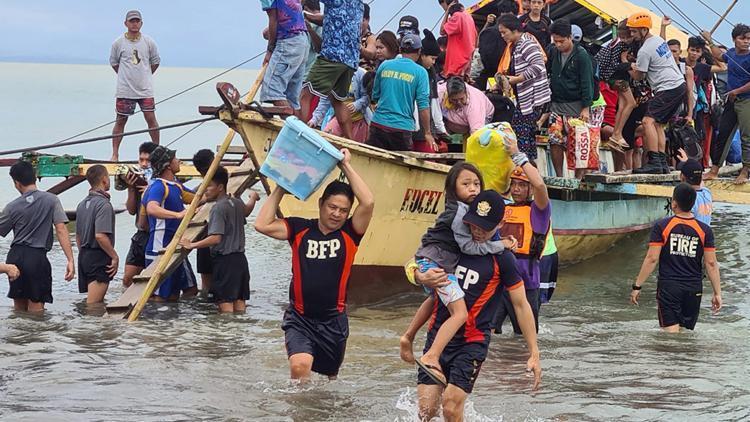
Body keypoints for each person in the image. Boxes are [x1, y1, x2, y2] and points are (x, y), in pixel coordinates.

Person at [414, 190, 541, 421]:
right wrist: (420, 277)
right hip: (438, 336)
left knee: (451, 407)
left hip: (471, 342)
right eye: (473, 224)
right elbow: (428, 283)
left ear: (501, 223)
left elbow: (521, 305)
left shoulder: (504, 258)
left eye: (484, 227)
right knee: (426, 412)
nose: (477, 231)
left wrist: (534, 352)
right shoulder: (452, 245)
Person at [254, 149, 374, 381]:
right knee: (300, 366)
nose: (337, 214)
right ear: (321, 204)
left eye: (343, 210)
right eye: (332, 207)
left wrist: (345, 166)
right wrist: (280, 188)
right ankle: (298, 413)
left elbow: (367, 202)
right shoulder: (300, 229)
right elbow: (262, 224)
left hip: (334, 321)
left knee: (329, 381)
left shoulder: (351, 233)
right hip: (300, 318)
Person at [399, 163, 513, 384]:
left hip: (436, 261)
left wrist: (501, 240)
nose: (473, 188)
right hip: (434, 262)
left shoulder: (469, 212)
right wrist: (501, 245)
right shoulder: (458, 214)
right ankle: (432, 355)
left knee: (434, 298)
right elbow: (469, 247)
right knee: (460, 313)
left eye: (477, 184)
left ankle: (408, 336)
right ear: (453, 188)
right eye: (466, 184)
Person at [630, 183, 721, 332]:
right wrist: (717, 293)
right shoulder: (705, 230)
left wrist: (637, 286)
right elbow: (711, 263)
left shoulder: (662, 226)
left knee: (670, 337)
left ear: (674, 203)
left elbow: (652, 258)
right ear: (693, 204)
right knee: (686, 334)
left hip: (669, 288)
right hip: (694, 288)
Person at [180, 167, 260, 313]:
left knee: (226, 309)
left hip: (226, 262)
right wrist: (253, 198)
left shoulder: (218, 208)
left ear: (220, 187)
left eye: (209, 186)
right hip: (241, 261)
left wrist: (192, 245)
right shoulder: (235, 202)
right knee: (240, 306)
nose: (205, 190)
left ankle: (225, 335)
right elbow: (247, 211)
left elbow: (216, 238)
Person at [493, 137, 551, 334]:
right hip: (499, 279)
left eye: (522, 185)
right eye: (514, 184)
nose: (516, 189)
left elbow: (541, 186)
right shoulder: (503, 207)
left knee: (524, 335)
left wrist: (519, 156)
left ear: (530, 189)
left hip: (526, 281)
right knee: (489, 330)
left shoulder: (538, 211)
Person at [0, 161, 75, 312]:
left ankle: (19, 336)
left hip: (15, 257)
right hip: (37, 257)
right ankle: (36, 336)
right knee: (37, 311)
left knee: (19, 309)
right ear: (35, 177)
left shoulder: (12, 207)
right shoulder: (51, 200)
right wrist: (70, 260)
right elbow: (61, 229)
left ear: (16, 183)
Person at [627, 12, 687, 174]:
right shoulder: (658, 40)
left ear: (644, 30)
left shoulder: (645, 50)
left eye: (634, 31)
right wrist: (663, 27)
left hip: (668, 88)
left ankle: (653, 161)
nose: (632, 35)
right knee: (659, 124)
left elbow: (640, 76)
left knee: (647, 122)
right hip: (678, 85)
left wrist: (629, 67)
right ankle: (661, 162)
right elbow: (660, 41)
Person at [299, 0, 364, 140]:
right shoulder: (358, 3)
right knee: (338, 101)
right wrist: (307, 16)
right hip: (350, 59)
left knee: (305, 94)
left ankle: (299, 137)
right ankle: (350, 143)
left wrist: (298, 9)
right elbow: (331, 17)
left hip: (332, 55)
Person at [142, 146, 198, 301]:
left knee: (177, 294)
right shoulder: (159, 186)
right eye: (175, 158)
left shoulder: (176, 186)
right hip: (159, 250)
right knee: (160, 297)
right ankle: (155, 324)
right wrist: (177, 215)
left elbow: (198, 198)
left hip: (175, 248)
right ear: (167, 165)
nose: (179, 161)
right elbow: (152, 208)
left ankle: (173, 325)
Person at [497, 14, 551, 160]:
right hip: (525, 99)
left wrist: (516, 79)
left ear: (514, 30)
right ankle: (528, 172)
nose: (502, 36)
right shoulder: (516, 44)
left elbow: (538, 65)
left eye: (504, 32)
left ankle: (526, 174)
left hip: (533, 99)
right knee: (523, 138)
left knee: (522, 138)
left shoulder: (527, 43)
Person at [367, 34, 434, 151]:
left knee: (373, 163)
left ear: (400, 49)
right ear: (419, 51)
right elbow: (423, 106)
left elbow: (375, 95)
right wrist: (427, 132)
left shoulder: (385, 65)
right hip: (402, 129)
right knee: (401, 167)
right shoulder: (421, 72)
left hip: (378, 124)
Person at [109, 10, 160, 162]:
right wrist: (125, 75)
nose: (134, 24)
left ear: (141, 23)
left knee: (151, 118)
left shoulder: (148, 42)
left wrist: (145, 75)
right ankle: (115, 154)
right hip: (125, 89)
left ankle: (157, 152)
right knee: (120, 120)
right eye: (132, 21)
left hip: (145, 89)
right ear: (126, 23)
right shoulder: (118, 43)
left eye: (137, 21)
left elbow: (155, 61)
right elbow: (114, 62)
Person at [547, 20, 595, 177]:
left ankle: (578, 178)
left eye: (562, 41)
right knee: (555, 140)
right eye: (556, 41)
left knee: (578, 143)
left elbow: (587, 82)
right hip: (556, 104)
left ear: (569, 38)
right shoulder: (553, 51)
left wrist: (586, 107)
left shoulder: (581, 55)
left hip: (576, 106)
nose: (559, 44)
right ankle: (559, 176)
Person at [702, 24, 750, 184]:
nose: (746, 42)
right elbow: (719, 56)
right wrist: (709, 40)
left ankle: (745, 171)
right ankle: (714, 169)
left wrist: (736, 91)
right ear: (734, 39)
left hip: (746, 100)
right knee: (723, 134)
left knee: (746, 137)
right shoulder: (731, 54)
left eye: (748, 39)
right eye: (742, 38)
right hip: (732, 101)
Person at [75, 165, 117, 304]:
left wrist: (84, 255)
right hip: (98, 256)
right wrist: (114, 256)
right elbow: (100, 236)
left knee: (93, 301)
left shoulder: (81, 204)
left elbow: (78, 236)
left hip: (84, 255)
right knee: (94, 306)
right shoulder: (103, 204)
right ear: (104, 180)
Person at [595, 21, 638, 154]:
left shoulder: (614, 42)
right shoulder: (621, 45)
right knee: (630, 103)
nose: (626, 39)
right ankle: (617, 133)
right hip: (614, 76)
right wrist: (629, 64)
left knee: (625, 103)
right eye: (624, 36)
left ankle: (617, 133)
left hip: (613, 76)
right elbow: (614, 64)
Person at [261, 0, 309, 117]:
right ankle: (297, 132)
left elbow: (274, 19)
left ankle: (291, 127)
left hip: (289, 41)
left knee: (272, 89)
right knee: (292, 97)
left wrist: (270, 50)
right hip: (302, 40)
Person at [123, 141, 158, 288]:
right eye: (141, 160)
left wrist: (150, 191)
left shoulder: (159, 183)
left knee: (155, 279)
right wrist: (131, 188)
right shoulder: (139, 179)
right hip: (141, 234)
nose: (144, 164)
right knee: (128, 279)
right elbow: (131, 210)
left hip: (156, 233)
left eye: (147, 160)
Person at [309, 67, 372, 142]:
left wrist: (357, 105)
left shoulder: (360, 73)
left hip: (359, 119)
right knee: (326, 140)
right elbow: (324, 101)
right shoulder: (331, 75)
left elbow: (368, 96)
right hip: (338, 118)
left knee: (354, 147)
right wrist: (314, 120)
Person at [413, 29, 451, 152]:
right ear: (422, 55)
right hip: (413, 125)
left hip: (426, 127)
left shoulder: (431, 73)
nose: (433, 62)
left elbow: (434, 102)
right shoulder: (416, 71)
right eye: (432, 58)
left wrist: (441, 128)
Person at [193, 149, 216, 295]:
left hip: (202, 239)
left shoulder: (197, 192)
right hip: (220, 243)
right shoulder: (223, 188)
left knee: (207, 284)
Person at [439, 1, 477, 78]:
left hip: (457, 64)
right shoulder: (468, 17)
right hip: (467, 62)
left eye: (443, 7)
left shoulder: (457, 16)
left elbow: (442, 31)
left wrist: (447, 13)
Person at [676, 150, 713, 226]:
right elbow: (700, 182)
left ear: (682, 177)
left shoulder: (688, 199)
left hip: (693, 234)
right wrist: (688, 161)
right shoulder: (707, 193)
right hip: (705, 234)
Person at [666, 39, 696, 126]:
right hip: (664, 108)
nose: (671, 54)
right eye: (669, 51)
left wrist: (690, 115)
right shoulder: (662, 67)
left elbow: (690, 92)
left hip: (680, 110)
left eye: (674, 51)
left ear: (680, 52)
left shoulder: (686, 69)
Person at [302, 0, 323, 77]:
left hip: (308, 75)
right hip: (300, 75)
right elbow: (265, 34)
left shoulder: (320, 23)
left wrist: (310, 29)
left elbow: (320, 48)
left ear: (305, 9)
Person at [359, 4, 377, 72]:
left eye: (362, 20)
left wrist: (359, 47)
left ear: (368, 19)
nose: (359, 23)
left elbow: (371, 53)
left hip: (365, 75)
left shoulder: (370, 37)